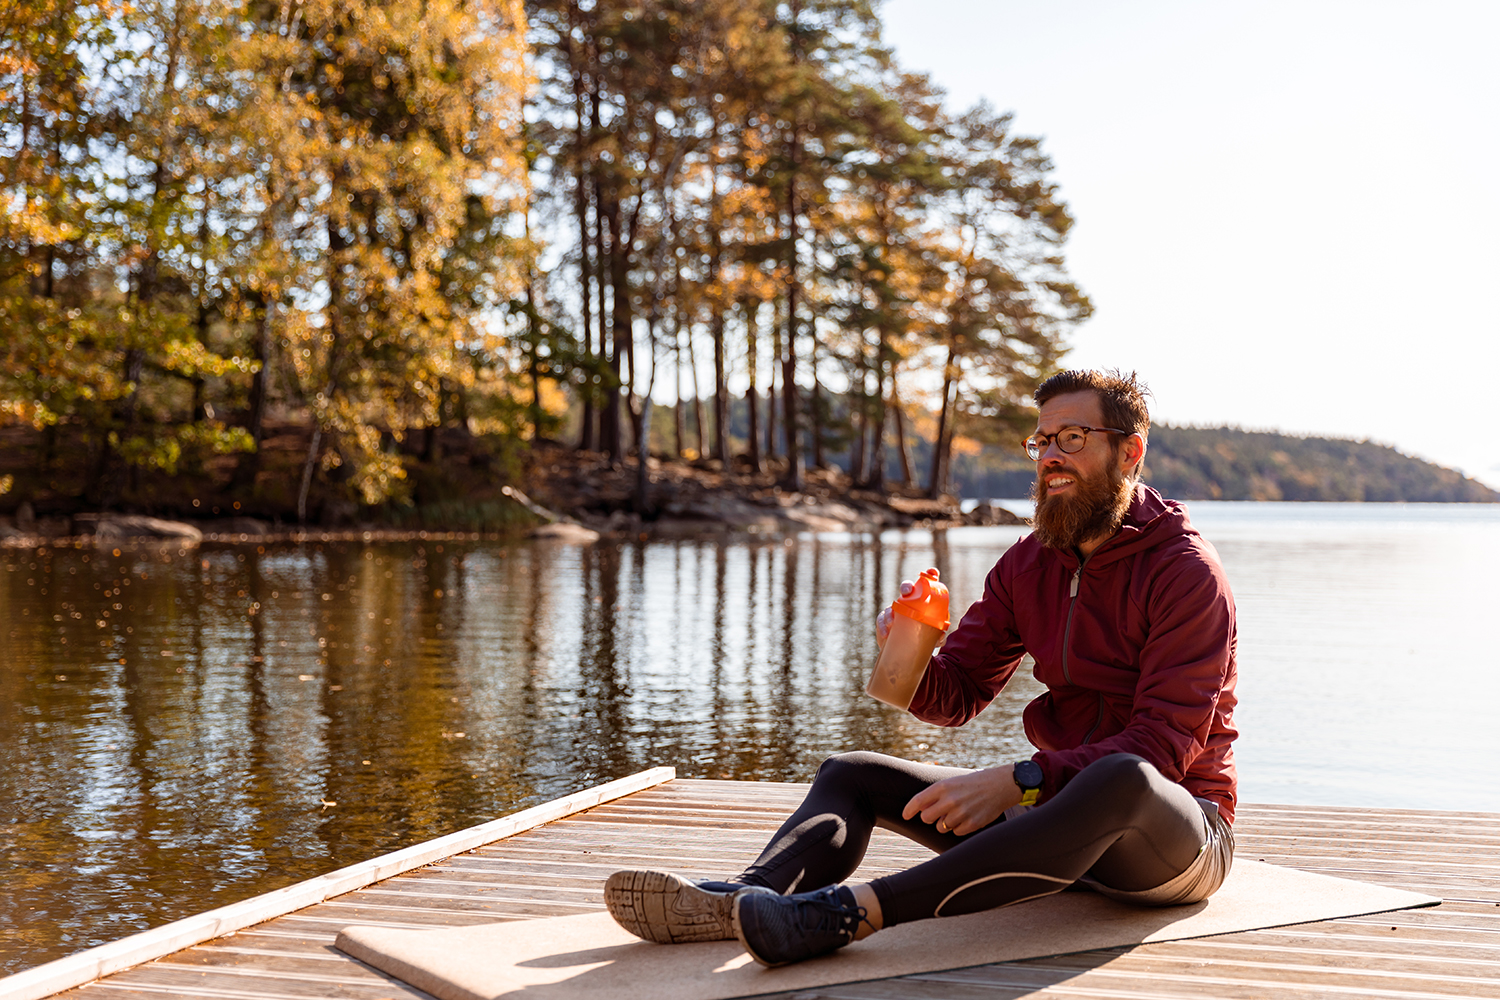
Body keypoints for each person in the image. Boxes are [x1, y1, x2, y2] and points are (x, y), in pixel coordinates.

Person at [603, 369, 1238, 968]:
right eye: (1042, 440)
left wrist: (1022, 779)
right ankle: (746, 900)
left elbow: (1160, 752)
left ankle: (852, 914)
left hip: (1174, 837)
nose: (1051, 456)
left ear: (1130, 452)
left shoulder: (1185, 573)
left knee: (1122, 776)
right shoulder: (1027, 565)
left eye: (1073, 438)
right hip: (1053, 824)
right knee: (852, 773)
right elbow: (956, 696)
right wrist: (906, 657)